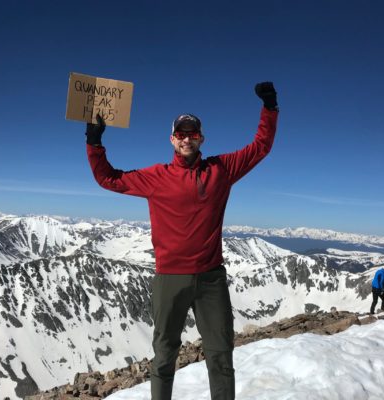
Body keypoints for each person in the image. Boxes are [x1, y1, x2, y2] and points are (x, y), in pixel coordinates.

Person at [84, 82, 279, 400]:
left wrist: (269, 107)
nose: (187, 138)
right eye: (181, 133)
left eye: (193, 133)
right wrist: (94, 141)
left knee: (221, 355)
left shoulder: (221, 169)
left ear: (201, 138)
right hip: (170, 278)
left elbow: (261, 147)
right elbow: (109, 178)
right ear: (172, 139)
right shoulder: (156, 176)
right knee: (163, 357)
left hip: (211, 278)